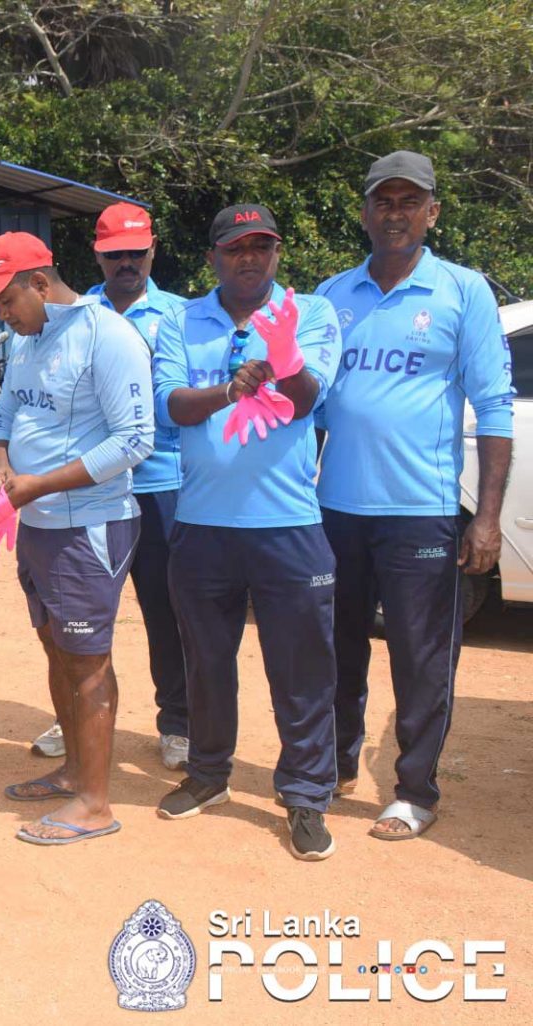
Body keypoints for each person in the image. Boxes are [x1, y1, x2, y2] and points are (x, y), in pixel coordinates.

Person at [315, 151, 516, 840]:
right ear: (365, 212)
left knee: (422, 657)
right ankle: (336, 764)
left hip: (422, 511)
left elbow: (495, 407)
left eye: (410, 202)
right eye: (384, 201)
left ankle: (413, 791)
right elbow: (312, 407)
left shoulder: (462, 291)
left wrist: (487, 519)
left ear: (432, 212)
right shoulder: (332, 294)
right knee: (335, 648)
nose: (395, 213)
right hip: (336, 511)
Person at [151, 204, 343, 861]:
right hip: (202, 525)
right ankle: (208, 774)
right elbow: (171, 406)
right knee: (206, 663)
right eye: (236, 248)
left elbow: (307, 398)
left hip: (288, 525)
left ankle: (306, 795)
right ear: (213, 257)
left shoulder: (308, 312)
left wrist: (282, 354)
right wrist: (229, 392)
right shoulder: (182, 320)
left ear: (277, 253)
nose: (250, 258)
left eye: (262, 246)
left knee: (302, 669)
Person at [0, 232, 152, 846]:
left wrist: (40, 483)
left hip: (88, 525)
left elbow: (133, 441)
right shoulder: (26, 342)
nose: (2, 313)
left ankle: (95, 804)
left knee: (88, 662)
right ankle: (74, 771)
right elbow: (4, 417)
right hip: (38, 523)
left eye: (6, 299)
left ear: (40, 284)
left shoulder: (108, 337)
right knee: (56, 648)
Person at [82, 203, 192, 771]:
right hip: (92, 484)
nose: (126, 263)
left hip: (161, 482)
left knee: (165, 609)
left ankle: (178, 721)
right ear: (97, 255)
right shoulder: (76, 315)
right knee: (82, 610)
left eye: (135, 252)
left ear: (153, 251)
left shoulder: (180, 316)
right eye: (114, 254)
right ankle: (78, 714)